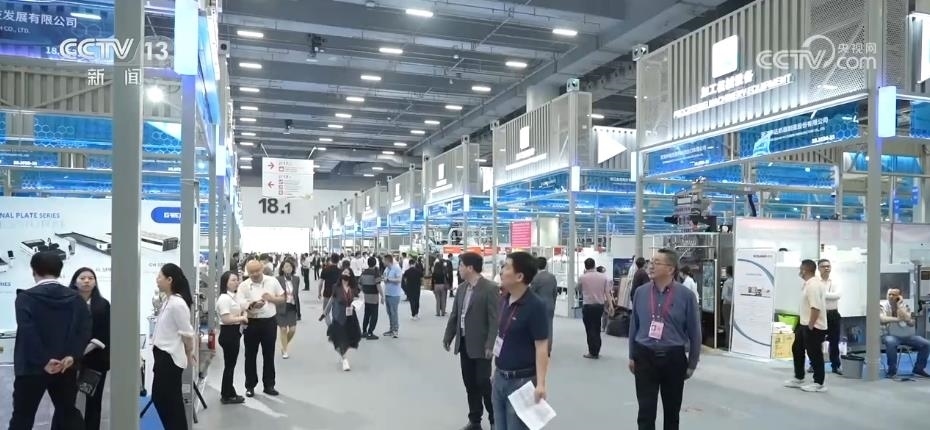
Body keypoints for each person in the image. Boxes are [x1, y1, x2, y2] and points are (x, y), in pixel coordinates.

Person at [9, 251, 90, 430]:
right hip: (65, 366)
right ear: (59, 271)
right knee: (68, 413)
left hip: (31, 368)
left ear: (34, 270)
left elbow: (28, 332)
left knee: (22, 417)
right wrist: (72, 356)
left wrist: (44, 360)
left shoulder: (25, 298)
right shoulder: (76, 298)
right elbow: (84, 331)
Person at [629, 248, 702, 430]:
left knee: (672, 413)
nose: (651, 266)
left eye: (657, 262)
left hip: (673, 358)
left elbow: (695, 332)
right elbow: (634, 326)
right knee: (645, 412)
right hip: (644, 356)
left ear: (670, 269)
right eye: (650, 262)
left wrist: (692, 363)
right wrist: (632, 355)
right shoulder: (640, 293)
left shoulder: (686, 296)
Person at [491, 251, 549, 430]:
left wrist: (541, 384)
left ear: (519, 276)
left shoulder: (536, 305)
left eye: (507, 267)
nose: (502, 271)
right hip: (500, 377)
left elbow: (542, 346)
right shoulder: (503, 300)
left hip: (522, 382)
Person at [443, 252, 500, 430]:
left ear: (470, 267)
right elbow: (455, 315)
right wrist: (448, 336)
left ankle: (495, 419)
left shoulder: (490, 288)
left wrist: (490, 344)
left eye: (460, 265)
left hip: (482, 346)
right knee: (470, 384)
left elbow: (494, 320)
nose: (458, 269)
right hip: (464, 343)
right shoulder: (461, 288)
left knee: (483, 382)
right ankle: (475, 420)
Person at [151, 263, 197, 430]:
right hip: (162, 356)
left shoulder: (177, 303)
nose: (157, 280)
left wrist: (189, 352)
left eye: (160, 277)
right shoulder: (168, 300)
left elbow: (187, 333)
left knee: (168, 401)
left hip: (169, 358)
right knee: (164, 399)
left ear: (169, 279)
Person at [69, 267, 110, 430]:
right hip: (70, 360)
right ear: (75, 281)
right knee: (67, 401)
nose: (86, 281)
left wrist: (85, 349)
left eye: (91, 278)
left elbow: (105, 333)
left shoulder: (103, 304)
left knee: (94, 402)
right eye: (82, 278)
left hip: (96, 360)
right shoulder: (67, 303)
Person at [236, 259, 285, 397]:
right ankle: (250, 385)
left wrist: (271, 298)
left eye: (257, 271)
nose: (255, 274)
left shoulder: (272, 281)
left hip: (269, 322)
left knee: (269, 354)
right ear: (247, 272)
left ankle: (269, 385)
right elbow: (240, 302)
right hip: (251, 322)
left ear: (262, 269)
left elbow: (282, 298)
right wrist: (251, 305)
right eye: (251, 272)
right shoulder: (244, 285)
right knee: (250, 355)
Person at [784, 259, 828, 393]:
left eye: (800, 269)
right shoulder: (809, 284)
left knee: (814, 354)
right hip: (804, 324)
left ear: (804, 270)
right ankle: (799, 377)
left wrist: (810, 325)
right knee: (797, 348)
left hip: (813, 326)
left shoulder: (813, 286)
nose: (799, 271)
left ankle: (818, 383)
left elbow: (816, 308)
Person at [880, 288, 930, 378]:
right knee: (891, 342)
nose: (890, 296)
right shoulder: (882, 305)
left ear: (899, 296)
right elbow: (882, 319)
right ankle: (892, 370)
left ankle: (919, 369)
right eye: (889, 294)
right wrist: (898, 319)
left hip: (906, 335)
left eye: (893, 295)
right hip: (889, 334)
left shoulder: (905, 306)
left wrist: (899, 306)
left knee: (926, 344)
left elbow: (911, 322)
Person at [216, 270, 248, 404]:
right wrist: (242, 318)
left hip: (234, 333)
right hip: (228, 333)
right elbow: (226, 319)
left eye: (237, 280)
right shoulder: (224, 299)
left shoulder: (233, 297)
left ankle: (229, 391)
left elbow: (240, 308)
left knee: (230, 365)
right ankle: (226, 395)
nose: (236, 282)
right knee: (229, 366)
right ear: (225, 283)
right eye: (233, 280)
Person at [326, 272, 363, 371]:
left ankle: (343, 353)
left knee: (349, 340)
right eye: (344, 272)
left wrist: (355, 303)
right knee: (338, 339)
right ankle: (344, 359)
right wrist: (326, 311)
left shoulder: (353, 287)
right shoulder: (336, 287)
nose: (346, 274)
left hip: (350, 317)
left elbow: (358, 298)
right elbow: (332, 299)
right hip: (339, 316)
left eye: (348, 272)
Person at [577, 258, 613, 359]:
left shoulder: (582, 277)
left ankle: (592, 352)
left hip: (588, 306)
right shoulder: (603, 277)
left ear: (585, 267)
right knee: (597, 327)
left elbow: (578, 289)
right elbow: (607, 292)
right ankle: (597, 350)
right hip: (599, 306)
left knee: (589, 329)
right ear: (594, 265)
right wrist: (611, 305)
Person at [530, 256, 558, 356]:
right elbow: (555, 293)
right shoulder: (552, 277)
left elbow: (531, 293)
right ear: (546, 265)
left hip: (539, 307)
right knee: (549, 328)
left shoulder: (535, 278)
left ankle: (539, 349)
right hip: (550, 305)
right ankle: (548, 350)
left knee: (538, 328)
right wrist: (553, 303)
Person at [818, 259, 842, 374]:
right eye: (823, 266)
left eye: (828, 266)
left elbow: (837, 295)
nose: (827, 268)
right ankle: (815, 364)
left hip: (833, 314)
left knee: (834, 341)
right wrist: (828, 295)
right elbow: (814, 296)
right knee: (816, 341)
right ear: (819, 268)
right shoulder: (816, 282)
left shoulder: (836, 281)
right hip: (819, 313)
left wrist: (822, 294)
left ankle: (835, 366)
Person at [276, 259, 302, 359]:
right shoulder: (278, 279)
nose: (288, 268)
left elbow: (296, 295)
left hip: (292, 307)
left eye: (290, 266)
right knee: (283, 329)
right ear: (282, 268)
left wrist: (299, 312)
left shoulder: (296, 279)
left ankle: (284, 345)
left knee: (292, 330)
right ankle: (285, 350)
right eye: (286, 266)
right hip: (281, 307)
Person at [359, 257, 384, 339]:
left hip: (366, 297)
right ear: (375, 263)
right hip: (374, 298)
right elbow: (378, 285)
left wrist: (364, 291)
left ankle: (364, 332)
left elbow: (359, 285)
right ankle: (370, 333)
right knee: (374, 316)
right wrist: (382, 296)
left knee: (366, 315)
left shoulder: (363, 273)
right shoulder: (375, 273)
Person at [382, 254, 403, 338]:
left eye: (384, 260)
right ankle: (391, 329)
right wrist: (384, 279)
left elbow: (399, 280)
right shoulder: (386, 269)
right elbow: (384, 277)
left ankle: (395, 330)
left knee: (394, 313)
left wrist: (389, 279)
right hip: (387, 293)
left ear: (388, 261)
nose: (383, 262)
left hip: (394, 295)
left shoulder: (397, 268)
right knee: (389, 313)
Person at [318, 254, 341, 324]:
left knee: (326, 312)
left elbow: (320, 283)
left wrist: (319, 293)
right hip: (337, 294)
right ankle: (335, 327)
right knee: (336, 312)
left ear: (331, 260)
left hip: (327, 293)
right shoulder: (340, 271)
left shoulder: (325, 269)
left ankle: (330, 327)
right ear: (338, 261)